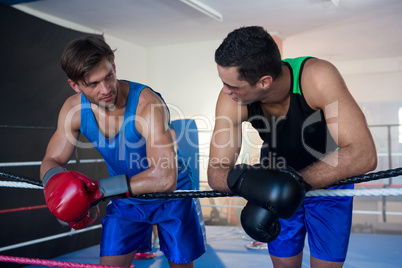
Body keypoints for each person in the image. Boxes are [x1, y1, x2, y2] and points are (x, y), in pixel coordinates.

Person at [207, 26, 377, 268]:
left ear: (264, 81)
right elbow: (216, 171)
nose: (225, 90)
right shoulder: (231, 99)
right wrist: (251, 183)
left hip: (330, 180)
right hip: (274, 186)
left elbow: (363, 154)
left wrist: (292, 184)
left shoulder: (317, 77)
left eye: (233, 85)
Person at [40, 36, 205, 268]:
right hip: (126, 196)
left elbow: (165, 177)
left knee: (180, 263)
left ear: (114, 67)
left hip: (172, 194)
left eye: (108, 76)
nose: (106, 89)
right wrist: (55, 184)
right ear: (75, 85)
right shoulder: (73, 110)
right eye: (93, 84)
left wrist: (99, 191)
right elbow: (52, 159)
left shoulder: (147, 106)